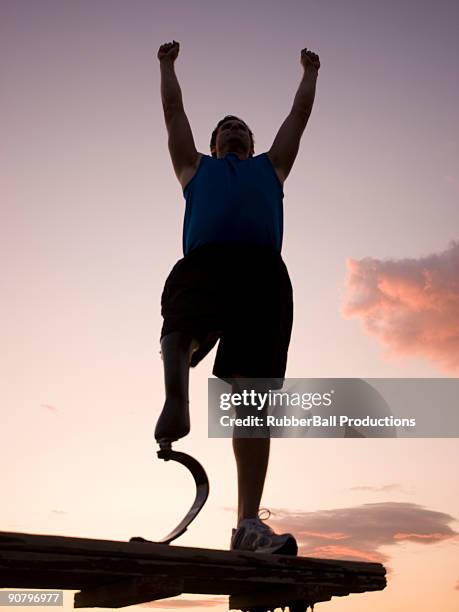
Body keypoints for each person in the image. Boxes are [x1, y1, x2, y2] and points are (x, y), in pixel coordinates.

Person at [154, 40, 320, 554]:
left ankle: (248, 524)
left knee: (252, 398)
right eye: (226, 127)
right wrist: (167, 65)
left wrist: (309, 74)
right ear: (212, 141)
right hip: (207, 262)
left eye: (242, 127)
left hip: (263, 276)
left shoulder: (271, 168)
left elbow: (298, 117)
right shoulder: (194, 169)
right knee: (181, 316)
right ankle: (177, 398)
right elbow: (174, 112)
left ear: (251, 142)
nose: (234, 129)